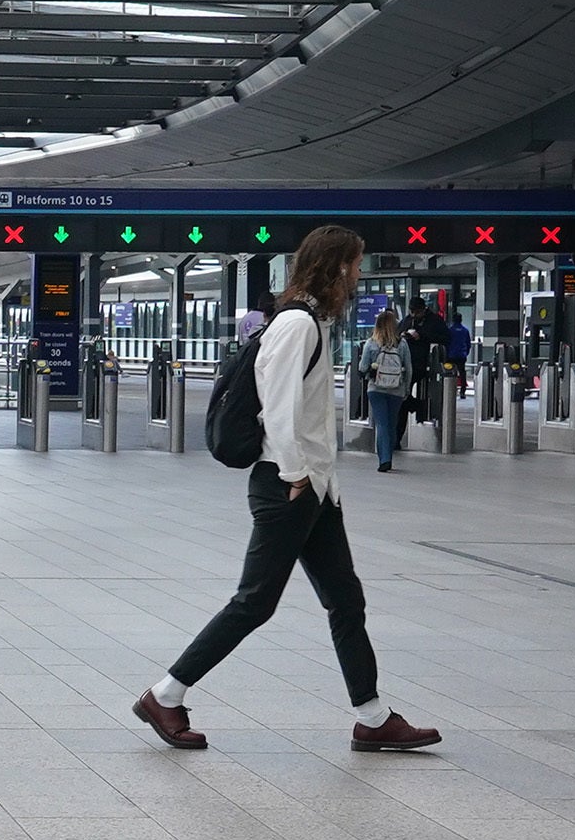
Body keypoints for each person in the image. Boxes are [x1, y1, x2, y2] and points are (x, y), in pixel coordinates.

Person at [132, 225, 441, 756]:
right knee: (254, 603)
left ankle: (372, 717)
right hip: (288, 486)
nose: (358, 275)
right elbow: (278, 407)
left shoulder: (310, 320)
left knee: (346, 599)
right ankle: (166, 694)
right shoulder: (297, 323)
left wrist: (322, 483)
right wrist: (296, 474)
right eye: (355, 265)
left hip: (314, 490)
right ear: (336, 267)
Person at [361, 311, 415, 472]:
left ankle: (385, 459)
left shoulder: (371, 343)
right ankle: (387, 454)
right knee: (391, 425)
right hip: (396, 389)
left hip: (376, 389)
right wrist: (406, 389)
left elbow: (363, 367)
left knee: (382, 424)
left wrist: (370, 371)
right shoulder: (402, 344)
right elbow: (409, 368)